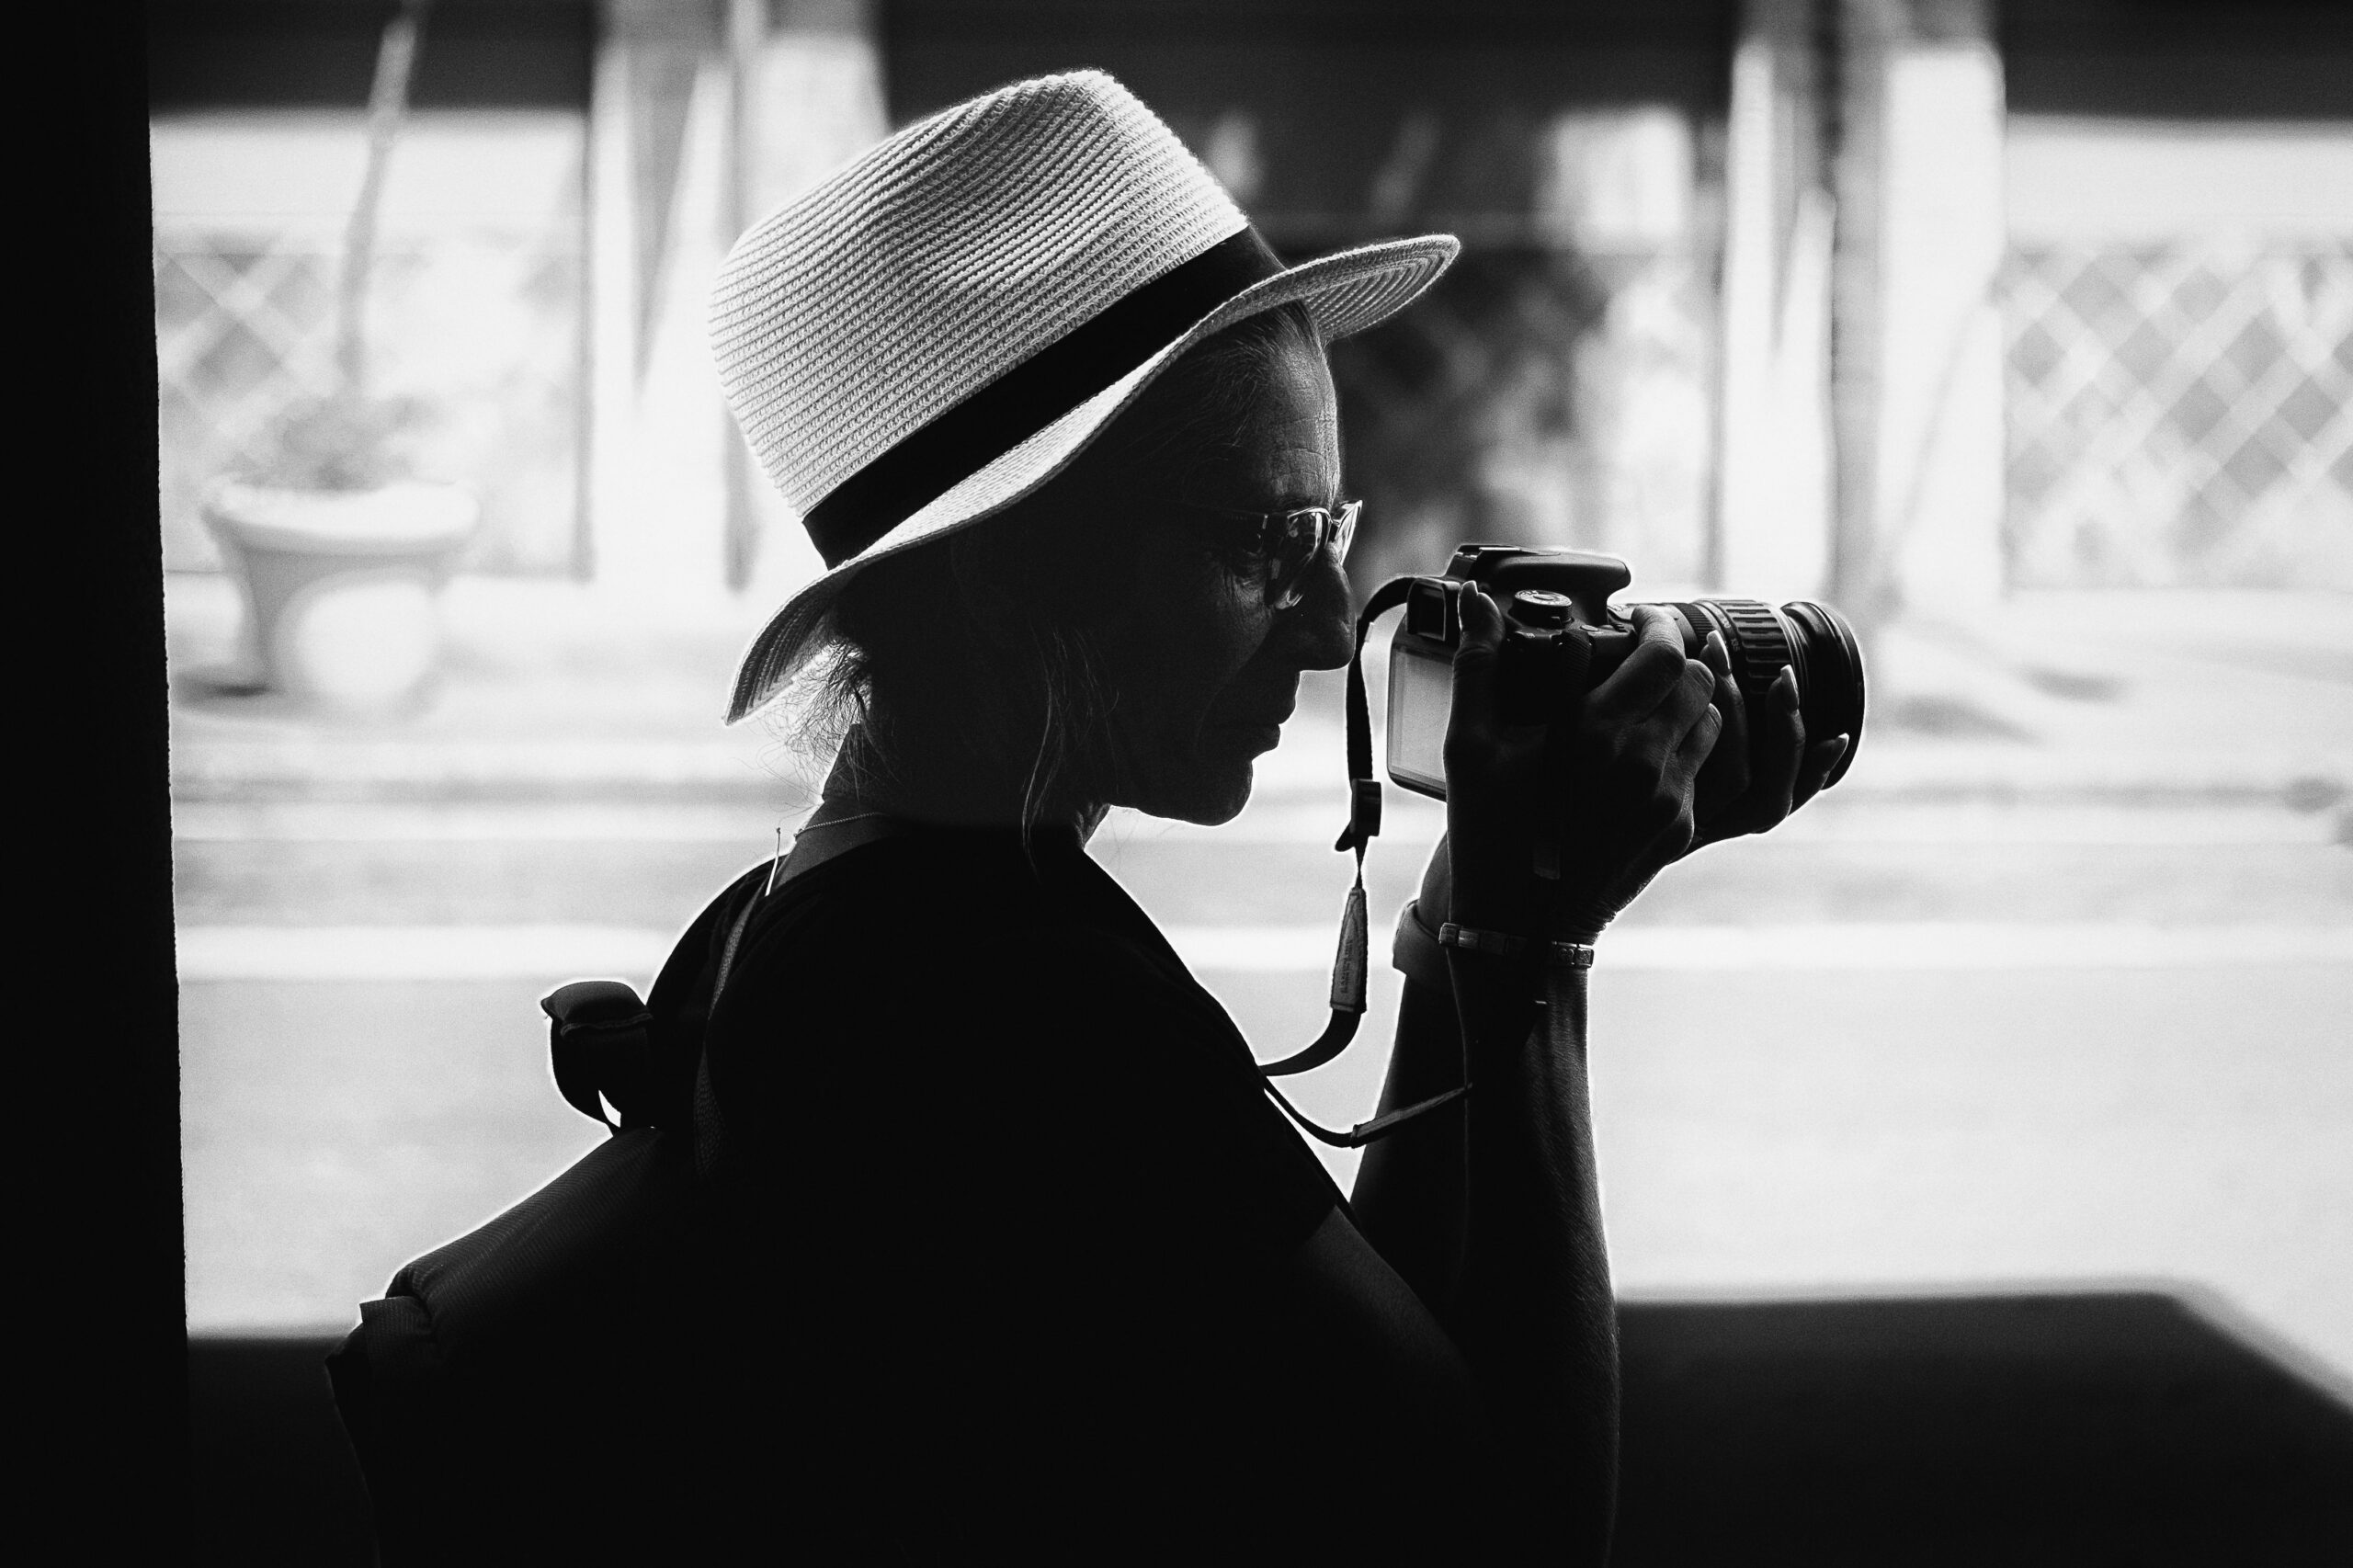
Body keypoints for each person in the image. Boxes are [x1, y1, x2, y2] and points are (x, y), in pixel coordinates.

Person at [688, 71, 1848, 1562]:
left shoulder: (876, 912)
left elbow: (1366, 1383)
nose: (1326, 626)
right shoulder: (1010, 1010)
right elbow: (1505, 1531)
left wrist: (1468, 915)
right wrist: (1538, 956)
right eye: (1272, 543)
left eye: (1336, 533)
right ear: (1013, 566)